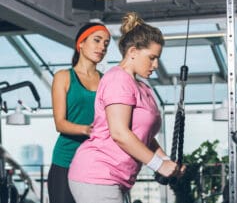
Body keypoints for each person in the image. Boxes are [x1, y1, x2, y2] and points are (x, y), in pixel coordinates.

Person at [68, 12, 185, 203]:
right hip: (97, 174)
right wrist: (158, 165)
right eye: (152, 58)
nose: (155, 65)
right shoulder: (117, 80)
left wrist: (167, 162)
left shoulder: (143, 88)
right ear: (132, 52)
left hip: (118, 178)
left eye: (158, 59)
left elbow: (143, 136)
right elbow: (120, 133)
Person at [47, 22, 111, 203]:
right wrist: (87, 130)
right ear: (80, 44)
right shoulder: (63, 77)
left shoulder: (106, 81)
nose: (102, 47)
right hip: (66, 160)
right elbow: (60, 123)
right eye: (97, 41)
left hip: (96, 162)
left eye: (106, 44)